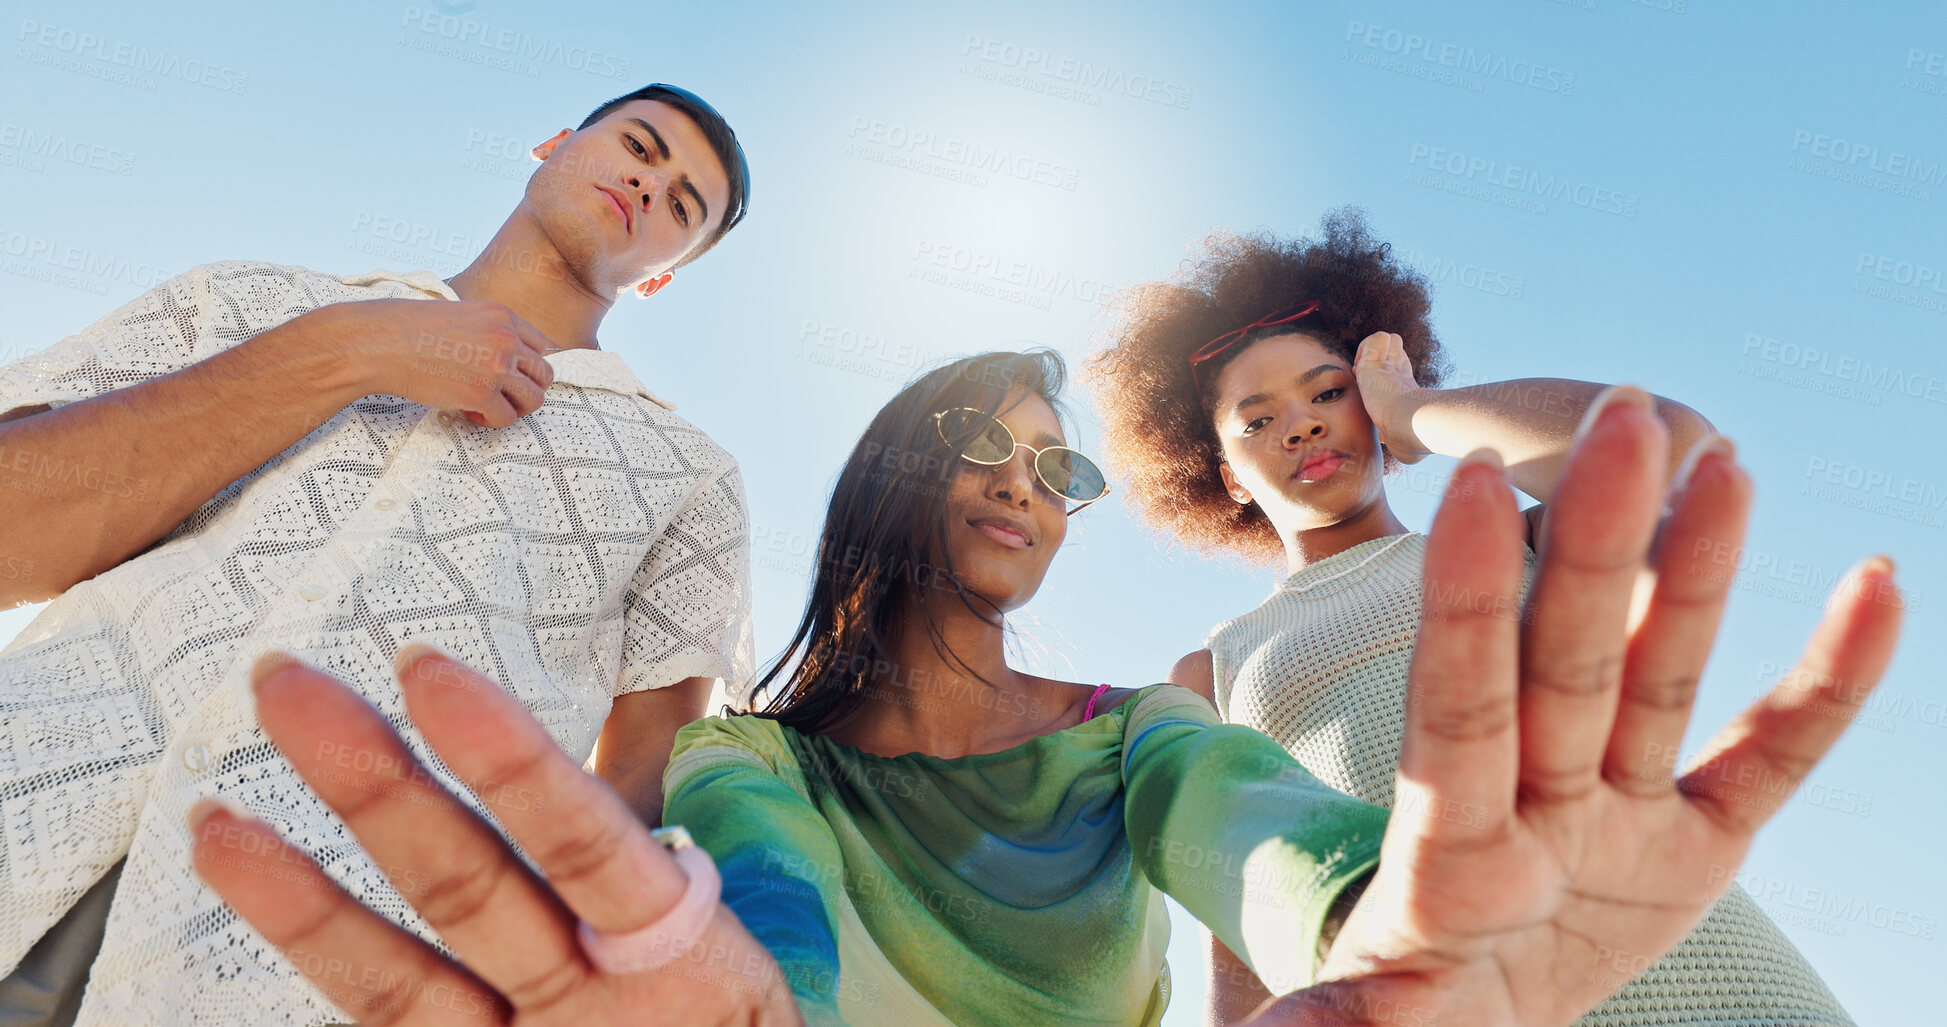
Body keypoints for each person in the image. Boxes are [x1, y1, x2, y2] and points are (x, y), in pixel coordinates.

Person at [191, 347, 1898, 1026]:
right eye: (982, 449)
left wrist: (1371, 909)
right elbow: (761, 904)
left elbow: (1259, 837)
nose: (1024, 488)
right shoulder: (742, 759)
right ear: (885, 472)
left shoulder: (1136, 732)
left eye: (1057, 472)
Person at [0, 85, 753, 1026]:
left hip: (308, 979)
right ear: (554, 140)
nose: (650, 184)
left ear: (662, 276)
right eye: (640, 146)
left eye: (683, 204)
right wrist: (343, 354)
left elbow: (645, 791)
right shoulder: (252, 297)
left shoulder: (687, 477)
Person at [1085, 211, 1863, 1024]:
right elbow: (1241, 908)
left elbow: (1669, 453)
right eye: (1256, 418)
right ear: (1224, 475)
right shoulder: (1212, 669)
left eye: (1328, 392)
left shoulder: (1513, 541)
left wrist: (1412, 409)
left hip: (1690, 948)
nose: (1302, 424)